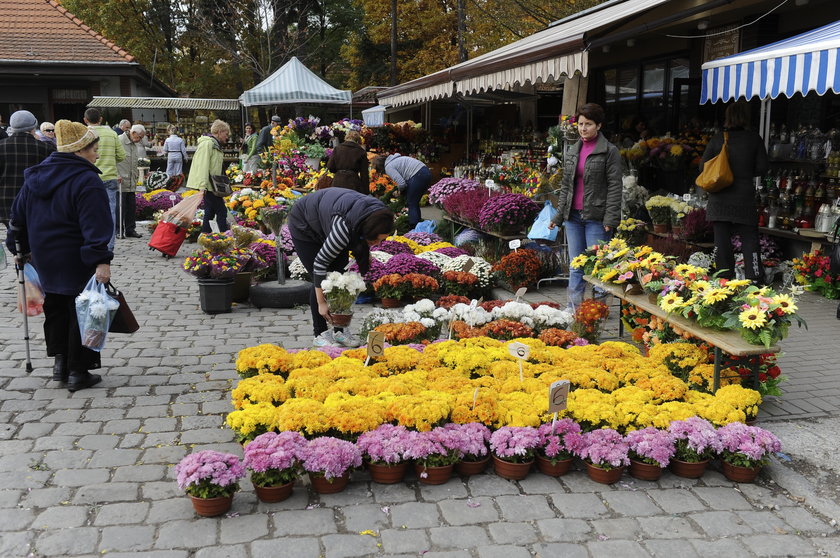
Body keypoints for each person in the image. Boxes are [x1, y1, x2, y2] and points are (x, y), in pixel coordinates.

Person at [5, 119, 113, 392]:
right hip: (76, 256)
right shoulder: (86, 179)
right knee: (81, 310)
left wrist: (18, 248)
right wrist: (101, 260)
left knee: (55, 307)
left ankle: (60, 364)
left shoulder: (35, 177)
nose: (96, 154)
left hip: (45, 257)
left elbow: (17, 217)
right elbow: (96, 224)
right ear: (79, 150)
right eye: (93, 149)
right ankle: (78, 371)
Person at [287, 188, 394, 346]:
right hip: (305, 224)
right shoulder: (342, 231)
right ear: (367, 232)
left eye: (381, 240)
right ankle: (320, 333)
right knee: (325, 280)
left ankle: (339, 330)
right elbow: (319, 265)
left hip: (333, 218)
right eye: (375, 240)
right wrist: (322, 303)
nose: (378, 245)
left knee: (341, 278)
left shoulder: (378, 216)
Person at [548, 102, 623, 309]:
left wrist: (611, 219)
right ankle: (573, 312)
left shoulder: (609, 151)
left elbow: (616, 187)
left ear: (598, 125)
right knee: (575, 266)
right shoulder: (573, 150)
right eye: (580, 124)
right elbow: (566, 186)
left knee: (598, 267)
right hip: (572, 217)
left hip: (597, 219)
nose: (583, 128)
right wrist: (557, 217)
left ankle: (597, 313)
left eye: (588, 124)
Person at [700, 101, 769, 283]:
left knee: (721, 241)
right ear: (745, 118)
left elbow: (702, 166)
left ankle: (724, 277)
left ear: (727, 117)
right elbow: (762, 167)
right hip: (744, 197)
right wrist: (745, 171)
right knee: (749, 239)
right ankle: (754, 277)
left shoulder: (717, 139)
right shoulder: (754, 139)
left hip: (719, 198)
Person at [0, 110, 55, 227]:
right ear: (34, 126)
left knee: (12, 237)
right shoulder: (47, 149)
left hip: (5, 202)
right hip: (36, 203)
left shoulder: (1, 147)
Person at [84, 108, 125, 251]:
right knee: (110, 212)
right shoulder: (111, 133)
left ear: (85, 120)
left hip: (89, 177)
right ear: (100, 119)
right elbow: (121, 156)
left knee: (89, 211)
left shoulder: (84, 134)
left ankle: (92, 242)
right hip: (109, 176)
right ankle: (109, 245)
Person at [187, 119, 230, 233]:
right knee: (221, 211)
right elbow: (202, 165)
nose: (227, 137)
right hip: (208, 186)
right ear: (219, 132)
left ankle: (205, 237)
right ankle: (224, 236)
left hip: (212, 186)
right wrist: (202, 186)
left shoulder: (215, 145)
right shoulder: (208, 144)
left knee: (210, 212)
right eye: (226, 134)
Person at [374, 153, 431, 228]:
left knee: (411, 203)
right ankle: (418, 226)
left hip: (418, 175)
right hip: (425, 172)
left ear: (381, 167)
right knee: (414, 202)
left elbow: (402, 184)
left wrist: (399, 192)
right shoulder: (396, 159)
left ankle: (413, 228)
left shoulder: (388, 167)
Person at [116, 124, 146, 238]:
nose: (140, 140)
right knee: (120, 207)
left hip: (131, 182)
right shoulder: (119, 141)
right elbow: (113, 160)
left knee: (131, 207)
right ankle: (119, 230)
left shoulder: (134, 144)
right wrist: (116, 174)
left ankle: (130, 230)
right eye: (139, 137)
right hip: (121, 181)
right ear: (133, 133)